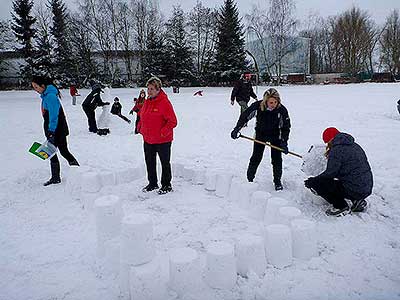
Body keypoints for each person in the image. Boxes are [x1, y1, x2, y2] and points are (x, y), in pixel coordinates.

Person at [230, 88, 291, 191]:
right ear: (265, 101)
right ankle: (250, 179)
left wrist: (284, 142)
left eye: (276, 102)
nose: (273, 104)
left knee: (276, 159)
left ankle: (277, 181)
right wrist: (237, 128)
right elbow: (245, 116)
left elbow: (286, 127)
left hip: (275, 136)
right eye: (271, 102)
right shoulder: (258, 106)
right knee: (256, 157)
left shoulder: (281, 110)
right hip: (260, 135)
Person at [304, 127, 373, 217]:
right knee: (346, 179)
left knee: (318, 183)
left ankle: (341, 206)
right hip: (366, 187)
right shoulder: (355, 145)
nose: (328, 145)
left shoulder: (336, 150)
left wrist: (313, 180)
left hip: (354, 188)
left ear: (330, 139)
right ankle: (357, 200)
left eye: (327, 142)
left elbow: (330, 173)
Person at [31, 75, 79, 186]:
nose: (35, 90)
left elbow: (54, 115)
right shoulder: (47, 95)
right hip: (55, 128)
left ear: (43, 86)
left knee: (58, 152)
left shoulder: (50, 96)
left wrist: (51, 131)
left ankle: (71, 173)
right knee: (58, 151)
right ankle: (59, 176)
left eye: (36, 87)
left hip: (57, 129)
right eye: (34, 87)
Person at [137, 77, 177, 194]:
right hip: (148, 139)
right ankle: (152, 183)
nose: (149, 91)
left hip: (162, 140)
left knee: (165, 163)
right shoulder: (147, 102)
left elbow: (173, 121)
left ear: (158, 89)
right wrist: (140, 127)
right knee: (150, 162)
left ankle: (166, 185)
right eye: (148, 89)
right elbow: (141, 116)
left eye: (152, 89)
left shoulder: (164, 102)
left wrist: (163, 132)